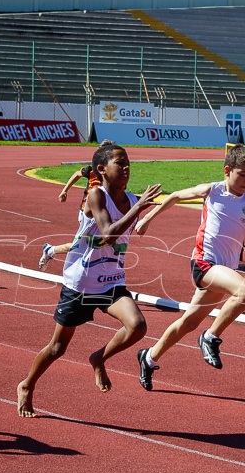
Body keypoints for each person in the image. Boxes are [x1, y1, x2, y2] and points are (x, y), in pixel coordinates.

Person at [16, 143, 161, 417]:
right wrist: (138, 207)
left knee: (138, 326)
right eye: (120, 163)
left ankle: (98, 358)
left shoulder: (132, 200)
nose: (127, 167)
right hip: (80, 284)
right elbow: (108, 234)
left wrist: (148, 209)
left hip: (111, 281)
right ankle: (27, 384)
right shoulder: (97, 195)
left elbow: (135, 228)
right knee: (57, 348)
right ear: (102, 170)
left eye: (128, 161)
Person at [133, 144, 245, 391]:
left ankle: (149, 357)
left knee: (188, 322)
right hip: (205, 263)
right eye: (242, 174)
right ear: (227, 170)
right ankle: (210, 338)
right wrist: (146, 218)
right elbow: (175, 196)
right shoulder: (213, 190)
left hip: (225, 269)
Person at [38, 140, 113, 271]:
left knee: (96, 244)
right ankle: (51, 250)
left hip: (102, 211)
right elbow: (76, 174)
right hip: (87, 213)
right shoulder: (91, 170)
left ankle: (52, 250)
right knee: (81, 245)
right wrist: (64, 190)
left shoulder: (112, 172)